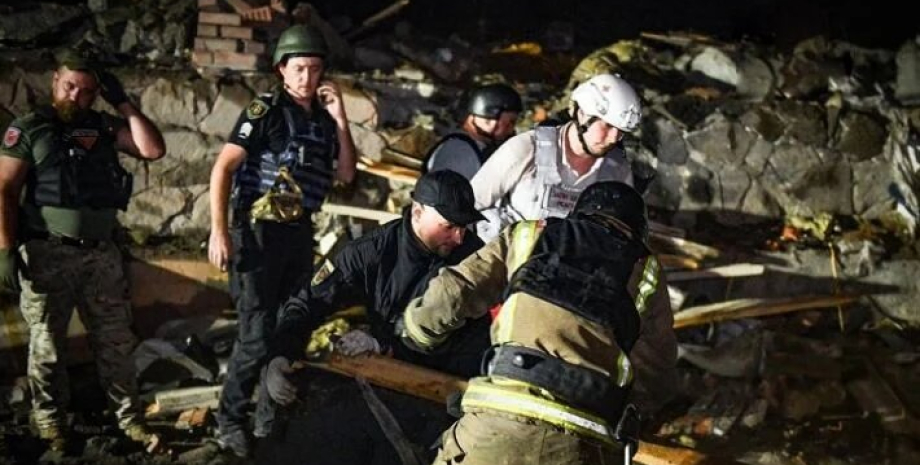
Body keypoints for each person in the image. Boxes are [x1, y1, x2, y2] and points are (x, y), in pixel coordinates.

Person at [399, 181, 677, 465]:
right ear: (636, 232)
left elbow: (456, 290)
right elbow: (657, 371)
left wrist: (417, 330)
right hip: (582, 440)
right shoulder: (647, 272)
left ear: (579, 214)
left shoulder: (532, 234)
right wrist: (633, 413)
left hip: (499, 420)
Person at [259, 170, 488, 465]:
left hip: (451, 390)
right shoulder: (372, 252)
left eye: (464, 227)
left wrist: (383, 341)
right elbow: (306, 303)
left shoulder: (476, 261)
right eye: (449, 226)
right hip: (386, 384)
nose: (458, 237)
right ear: (417, 212)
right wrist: (280, 355)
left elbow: (473, 334)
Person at [0, 49, 166, 451]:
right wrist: (4, 250)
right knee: (47, 347)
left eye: (87, 91)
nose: (76, 96)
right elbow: (4, 189)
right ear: (55, 81)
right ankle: (52, 425)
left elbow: (152, 150)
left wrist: (123, 101)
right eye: (70, 86)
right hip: (46, 253)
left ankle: (130, 421)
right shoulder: (30, 129)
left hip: (100, 256)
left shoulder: (105, 128)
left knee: (115, 343)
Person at [206, 23, 357, 457]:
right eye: (299, 69)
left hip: (297, 235)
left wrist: (341, 117)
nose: (307, 78)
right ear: (282, 70)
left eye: (314, 69)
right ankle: (230, 420)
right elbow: (224, 168)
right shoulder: (266, 111)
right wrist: (219, 232)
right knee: (255, 335)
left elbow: (346, 175)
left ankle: (268, 422)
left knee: (289, 331)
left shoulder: (324, 123)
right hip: (257, 234)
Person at [471, 73, 641, 242]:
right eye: (608, 126)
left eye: (621, 132)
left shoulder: (617, 171)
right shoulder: (527, 149)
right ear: (582, 114)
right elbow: (469, 205)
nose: (613, 138)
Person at [423, 83, 522, 180]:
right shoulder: (459, 152)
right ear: (489, 121)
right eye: (510, 123)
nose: (511, 130)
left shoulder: (475, 149)